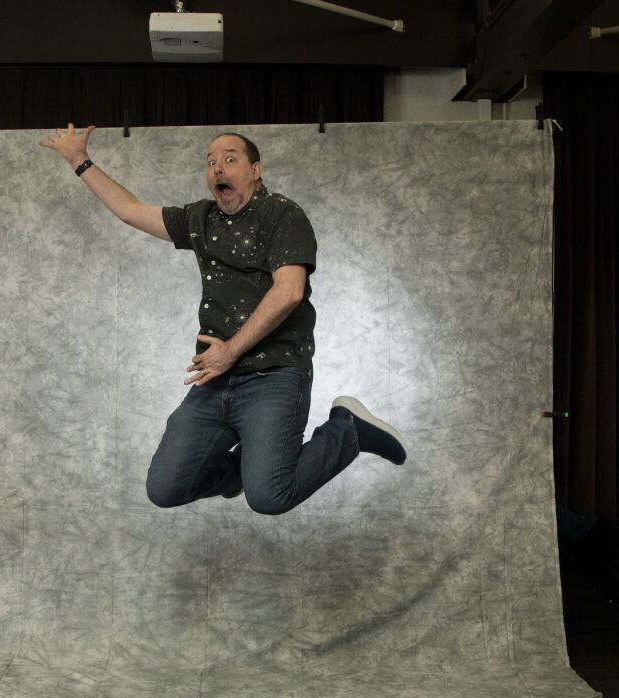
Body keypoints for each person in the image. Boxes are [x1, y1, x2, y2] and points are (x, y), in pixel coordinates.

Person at [40, 124, 406, 515]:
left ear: (256, 169)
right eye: (211, 161)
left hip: (275, 377)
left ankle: (348, 429)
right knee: (166, 488)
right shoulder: (201, 219)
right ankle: (246, 469)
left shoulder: (282, 214)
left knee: (268, 497)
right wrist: (79, 160)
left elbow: (289, 291)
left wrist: (230, 351)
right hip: (216, 382)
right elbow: (130, 211)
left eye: (230, 159)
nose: (218, 168)